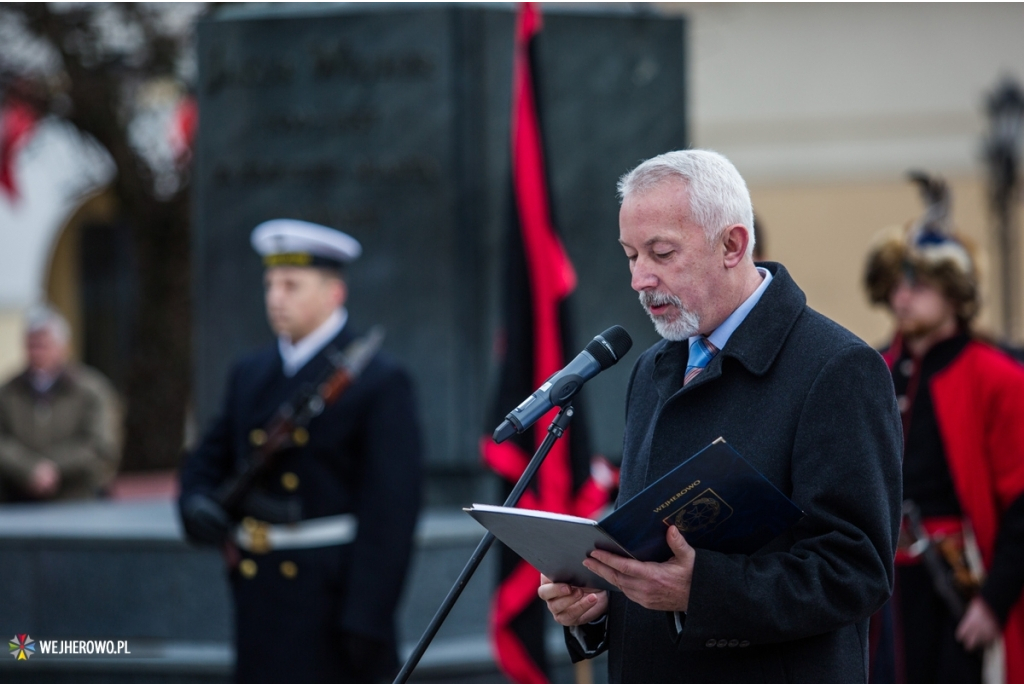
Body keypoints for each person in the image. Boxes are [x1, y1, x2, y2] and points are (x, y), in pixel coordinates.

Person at [538, 149, 903, 682]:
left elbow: (856, 571)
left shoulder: (838, 368)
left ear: (732, 244)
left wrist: (702, 591)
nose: (640, 278)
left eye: (661, 253)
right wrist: (599, 602)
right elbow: (650, 552)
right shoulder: (652, 368)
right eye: (630, 255)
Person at [178, 219, 423, 684]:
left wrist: (365, 620)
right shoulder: (250, 372)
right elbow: (208, 456)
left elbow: (391, 513)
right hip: (261, 596)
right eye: (270, 284)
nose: (276, 297)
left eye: (292, 285)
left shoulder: (378, 380)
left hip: (334, 601)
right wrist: (193, 501)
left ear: (334, 293)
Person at [863, 173, 1024, 683]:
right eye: (897, 285)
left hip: (959, 585)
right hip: (880, 587)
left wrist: (993, 604)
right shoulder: (870, 369)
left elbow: (1023, 504)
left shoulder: (998, 377)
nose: (902, 298)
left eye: (919, 285)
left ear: (953, 292)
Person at [0, 305, 121, 502]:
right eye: (32, 344)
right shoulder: (7, 393)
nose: (37, 352)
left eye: (44, 344)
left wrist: (53, 468)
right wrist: (28, 469)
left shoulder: (91, 391)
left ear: (63, 347)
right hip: (17, 500)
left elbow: (100, 446)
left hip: (77, 499)